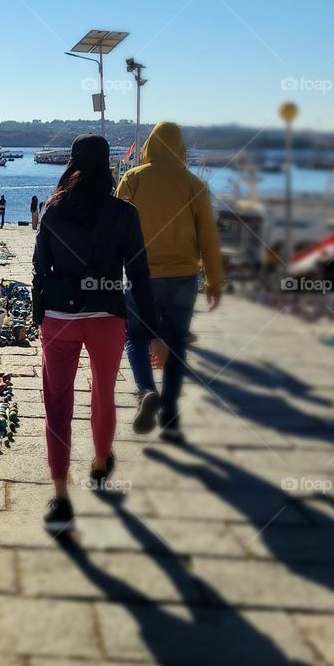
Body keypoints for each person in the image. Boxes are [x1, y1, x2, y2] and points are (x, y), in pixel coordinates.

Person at [33, 135, 162, 532]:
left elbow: (40, 268)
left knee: (57, 401)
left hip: (60, 317)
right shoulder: (125, 213)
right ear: (108, 166)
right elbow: (139, 274)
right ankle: (102, 461)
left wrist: (42, 316)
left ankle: (60, 495)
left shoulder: (54, 210)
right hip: (107, 315)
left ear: (72, 165)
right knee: (102, 392)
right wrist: (154, 332)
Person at [115, 121, 224, 444]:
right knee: (176, 342)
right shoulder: (194, 185)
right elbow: (209, 236)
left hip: (141, 275)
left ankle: (147, 391)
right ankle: (171, 414)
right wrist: (215, 280)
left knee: (135, 336)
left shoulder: (132, 179)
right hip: (183, 276)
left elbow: (118, 227)